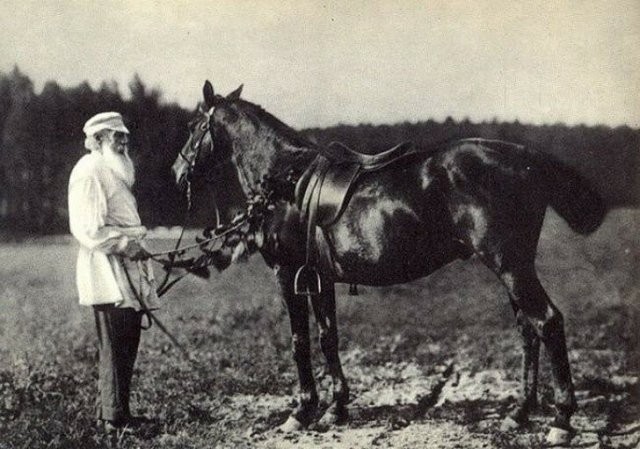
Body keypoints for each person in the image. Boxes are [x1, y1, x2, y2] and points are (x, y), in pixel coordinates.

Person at [68, 112, 159, 433]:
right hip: (107, 269)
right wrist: (124, 244)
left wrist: (133, 245)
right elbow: (87, 228)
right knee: (116, 344)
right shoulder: (89, 171)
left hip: (127, 266)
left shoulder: (113, 170)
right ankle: (114, 420)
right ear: (99, 140)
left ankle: (117, 413)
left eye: (124, 136)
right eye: (116, 137)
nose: (124, 142)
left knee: (127, 341)